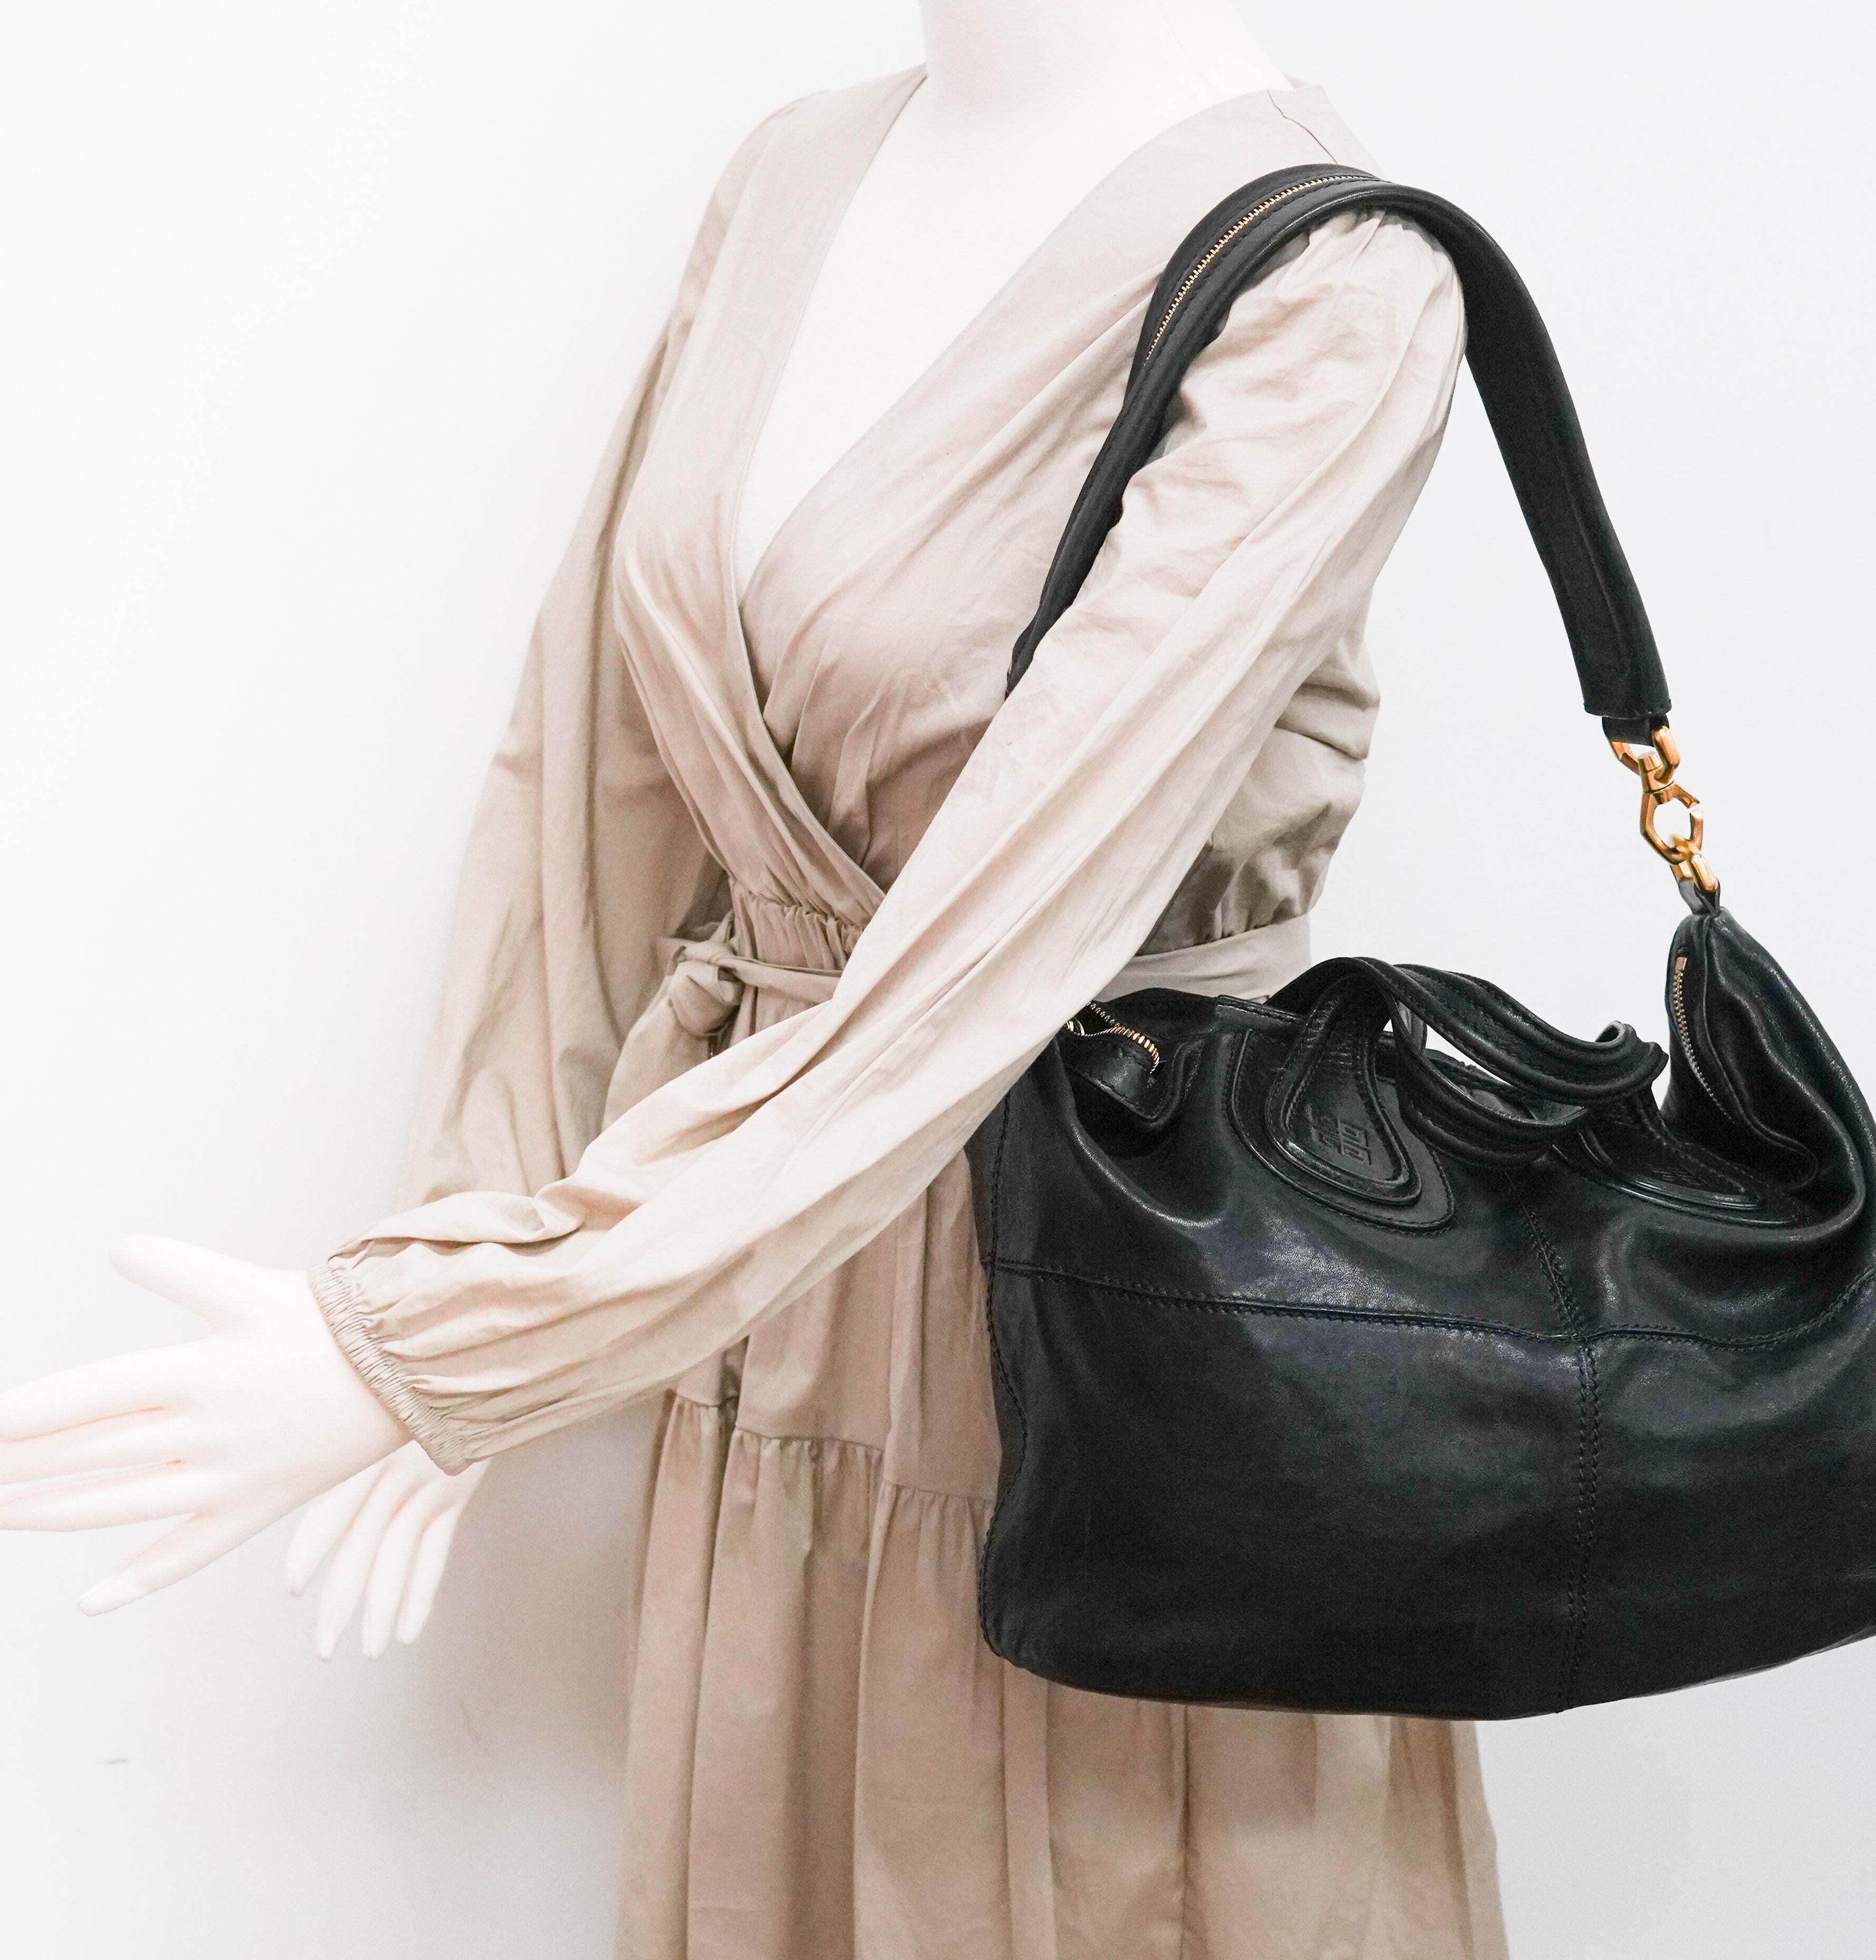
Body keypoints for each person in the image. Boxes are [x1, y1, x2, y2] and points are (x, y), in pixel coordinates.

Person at [0, 21, 1506, 1957]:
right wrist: (460, 1236)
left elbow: (998, 947)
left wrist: (460, 1336)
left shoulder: (1335, 278)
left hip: (1116, 1334)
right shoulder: (794, 173)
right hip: (771, 1310)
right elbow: (597, 787)